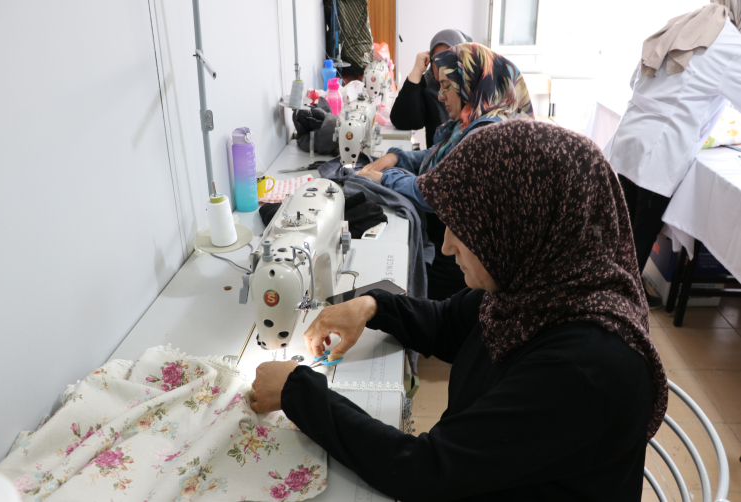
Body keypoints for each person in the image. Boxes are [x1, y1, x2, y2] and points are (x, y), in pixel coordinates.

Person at [250, 120, 668, 501]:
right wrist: (373, 305)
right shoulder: (536, 289)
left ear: (518, 226)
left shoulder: (585, 369)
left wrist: (298, 392)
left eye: (465, 228)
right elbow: (450, 322)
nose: (448, 245)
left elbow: (426, 471)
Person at [359, 43, 533, 300]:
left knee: (393, 281)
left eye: (446, 86)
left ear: (470, 82)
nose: (440, 96)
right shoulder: (474, 121)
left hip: (466, 263)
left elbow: (435, 192)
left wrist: (386, 177)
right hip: (459, 245)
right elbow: (445, 156)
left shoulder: (487, 134)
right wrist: (397, 157)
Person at [608, 0, 741, 306]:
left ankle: (613, 297)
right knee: (640, 235)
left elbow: (635, 77)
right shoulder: (730, 42)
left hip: (630, 139)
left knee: (622, 232)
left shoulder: (685, 22)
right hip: (660, 150)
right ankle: (620, 307)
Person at [390, 29, 472, 147]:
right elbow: (403, 121)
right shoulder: (428, 85)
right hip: (436, 156)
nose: (441, 66)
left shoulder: (474, 89)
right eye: (436, 59)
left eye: (447, 58)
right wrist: (416, 71)